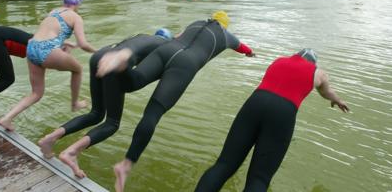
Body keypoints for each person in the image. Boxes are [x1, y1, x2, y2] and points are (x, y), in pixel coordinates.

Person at [96, 11, 255, 192]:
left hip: (166, 49)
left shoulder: (196, 21)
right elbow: (243, 48)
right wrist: (251, 54)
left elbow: (177, 36)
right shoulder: (227, 36)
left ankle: (123, 65)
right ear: (225, 25)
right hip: (186, 64)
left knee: (134, 81)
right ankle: (125, 165)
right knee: (152, 114)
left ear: (211, 18)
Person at [194, 49, 349, 192]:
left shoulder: (279, 60)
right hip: (283, 111)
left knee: (224, 165)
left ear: (295, 55)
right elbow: (325, 91)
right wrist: (338, 100)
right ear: (314, 63)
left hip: (255, 102)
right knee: (259, 179)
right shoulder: (319, 73)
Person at [38, 28, 173, 178]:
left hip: (100, 56)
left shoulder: (142, 35)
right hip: (114, 65)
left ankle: (50, 139)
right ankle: (71, 152)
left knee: (95, 114)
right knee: (112, 123)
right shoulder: (165, 47)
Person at [0, 0, 96, 131]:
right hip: (47, 49)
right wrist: (99, 51)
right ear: (77, 2)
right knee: (78, 69)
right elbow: (83, 44)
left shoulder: (53, 12)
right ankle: (75, 104)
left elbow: (47, 34)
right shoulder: (75, 17)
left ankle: (7, 118)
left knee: (36, 93)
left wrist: (63, 44)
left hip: (31, 47)